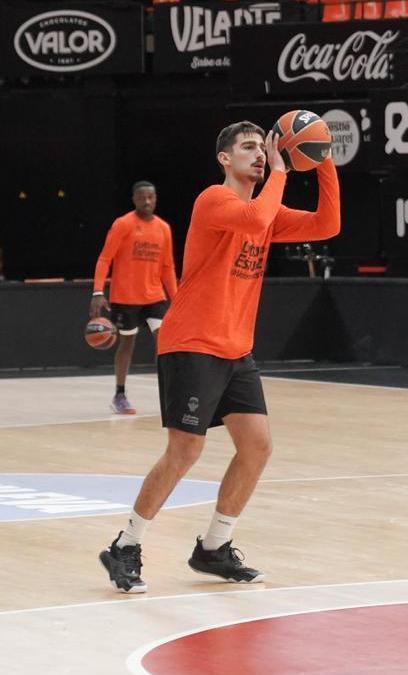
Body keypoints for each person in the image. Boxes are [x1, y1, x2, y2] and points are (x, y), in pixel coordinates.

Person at [99, 121, 340, 593]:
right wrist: (280, 171)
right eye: (248, 147)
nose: (259, 153)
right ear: (225, 159)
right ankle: (125, 546)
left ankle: (213, 548)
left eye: (262, 146)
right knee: (185, 451)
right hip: (191, 343)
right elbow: (253, 220)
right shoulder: (213, 199)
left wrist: (321, 155)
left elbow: (327, 224)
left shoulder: (265, 207)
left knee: (257, 446)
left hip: (235, 349)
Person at [91, 181, 178, 414]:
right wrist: (98, 292)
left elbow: (167, 267)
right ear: (134, 199)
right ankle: (120, 394)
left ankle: (170, 394)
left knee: (165, 340)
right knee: (127, 343)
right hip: (126, 297)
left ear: (156, 198)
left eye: (151, 197)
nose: (147, 201)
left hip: (154, 297)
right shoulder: (123, 224)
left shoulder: (163, 228)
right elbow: (104, 259)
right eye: (142, 197)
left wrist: (177, 299)